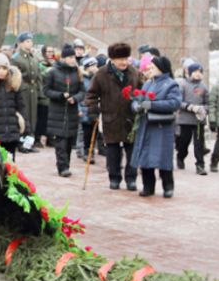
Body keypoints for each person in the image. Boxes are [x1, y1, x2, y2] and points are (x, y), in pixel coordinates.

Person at [85, 43, 142, 191]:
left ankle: (131, 179)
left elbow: (142, 91)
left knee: (132, 151)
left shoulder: (135, 73)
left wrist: (141, 103)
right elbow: (91, 94)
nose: (124, 62)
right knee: (113, 151)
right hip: (111, 118)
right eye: (120, 59)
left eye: (126, 58)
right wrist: (93, 109)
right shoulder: (102, 74)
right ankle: (114, 178)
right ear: (112, 59)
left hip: (131, 118)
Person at [131, 56, 182, 197]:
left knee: (163, 158)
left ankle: (168, 186)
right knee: (146, 158)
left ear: (161, 68)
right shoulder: (147, 83)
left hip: (162, 126)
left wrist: (152, 105)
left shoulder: (171, 84)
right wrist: (135, 105)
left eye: (152, 67)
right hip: (146, 125)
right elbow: (138, 99)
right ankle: (148, 186)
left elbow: (174, 103)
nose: (149, 69)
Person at [43, 44, 85, 177]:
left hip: (72, 111)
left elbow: (82, 91)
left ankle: (66, 164)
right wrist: (60, 95)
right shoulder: (53, 72)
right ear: (64, 58)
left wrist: (76, 98)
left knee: (68, 142)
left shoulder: (78, 72)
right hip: (57, 111)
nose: (73, 59)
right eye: (70, 57)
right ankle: (62, 167)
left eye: (74, 56)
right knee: (60, 141)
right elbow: (46, 91)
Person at [175, 62, 209, 175]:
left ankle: (200, 165)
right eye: (195, 72)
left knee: (199, 143)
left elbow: (209, 103)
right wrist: (189, 107)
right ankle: (180, 157)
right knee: (184, 142)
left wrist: (203, 109)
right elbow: (178, 102)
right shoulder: (183, 85)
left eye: (200, 72)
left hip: (199, 120)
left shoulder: (204, 87)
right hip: (185, 119)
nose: (198, 74)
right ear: (189, 73)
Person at [12, 32, 42, 152]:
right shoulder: (16, 58)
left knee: (32, 117)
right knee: (24, 117)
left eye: (31, 41)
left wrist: (39, 90)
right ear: (20, 43)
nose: (30, 43)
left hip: (33, 91)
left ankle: (30, 142)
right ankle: (22, 143)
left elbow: (38, 74)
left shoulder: (33, 57)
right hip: (23, 90)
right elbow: (14, 75)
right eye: (27, 41)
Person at [76, 57, 100, 162]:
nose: (95, 68)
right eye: (92, 66)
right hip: (84, 108)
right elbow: (78, 94)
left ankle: (91, 152)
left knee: (94, 132)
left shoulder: (98, 78)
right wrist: (78, 109)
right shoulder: (81, 79)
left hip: (95, 109)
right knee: (85, 131)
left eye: (96, 65)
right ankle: (84, 151)